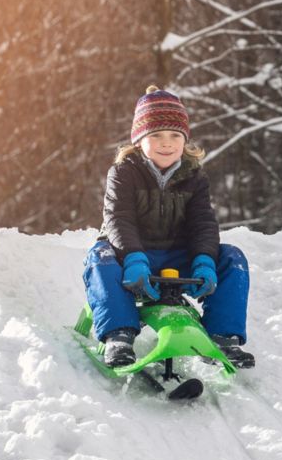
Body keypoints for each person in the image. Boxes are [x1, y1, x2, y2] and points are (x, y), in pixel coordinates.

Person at [82, 85, 254, 369]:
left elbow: (203, 222)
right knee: (100, 259)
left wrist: (204, 260)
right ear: (139, 140)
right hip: (131, 256)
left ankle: (223, 336)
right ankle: (119, 335)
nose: (166, 143)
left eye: (175, 136)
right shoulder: (124, 172)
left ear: (185, 140)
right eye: (156, 136)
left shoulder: (194, 176)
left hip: (176, 255)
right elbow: (118, 218)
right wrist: (134, 257)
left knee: (232, 258)